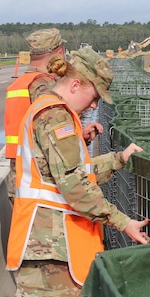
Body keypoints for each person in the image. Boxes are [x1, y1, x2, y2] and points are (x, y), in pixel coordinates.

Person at [6, 47, 150, 297]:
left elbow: (74, 172)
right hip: (52, 267)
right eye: (93, 97)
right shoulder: (56, 116)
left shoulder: (49, 113)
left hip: (45, 267)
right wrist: (122, 222)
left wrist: (119, 159)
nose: (93, 107)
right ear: (76, 84)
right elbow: (74, 189)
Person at [5, 29, 103, 201]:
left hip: (21, 173)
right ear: (59, 52)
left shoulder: (21, 83)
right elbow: (53, 136)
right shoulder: (44, 87)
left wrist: (79, 136)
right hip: (41, 181)